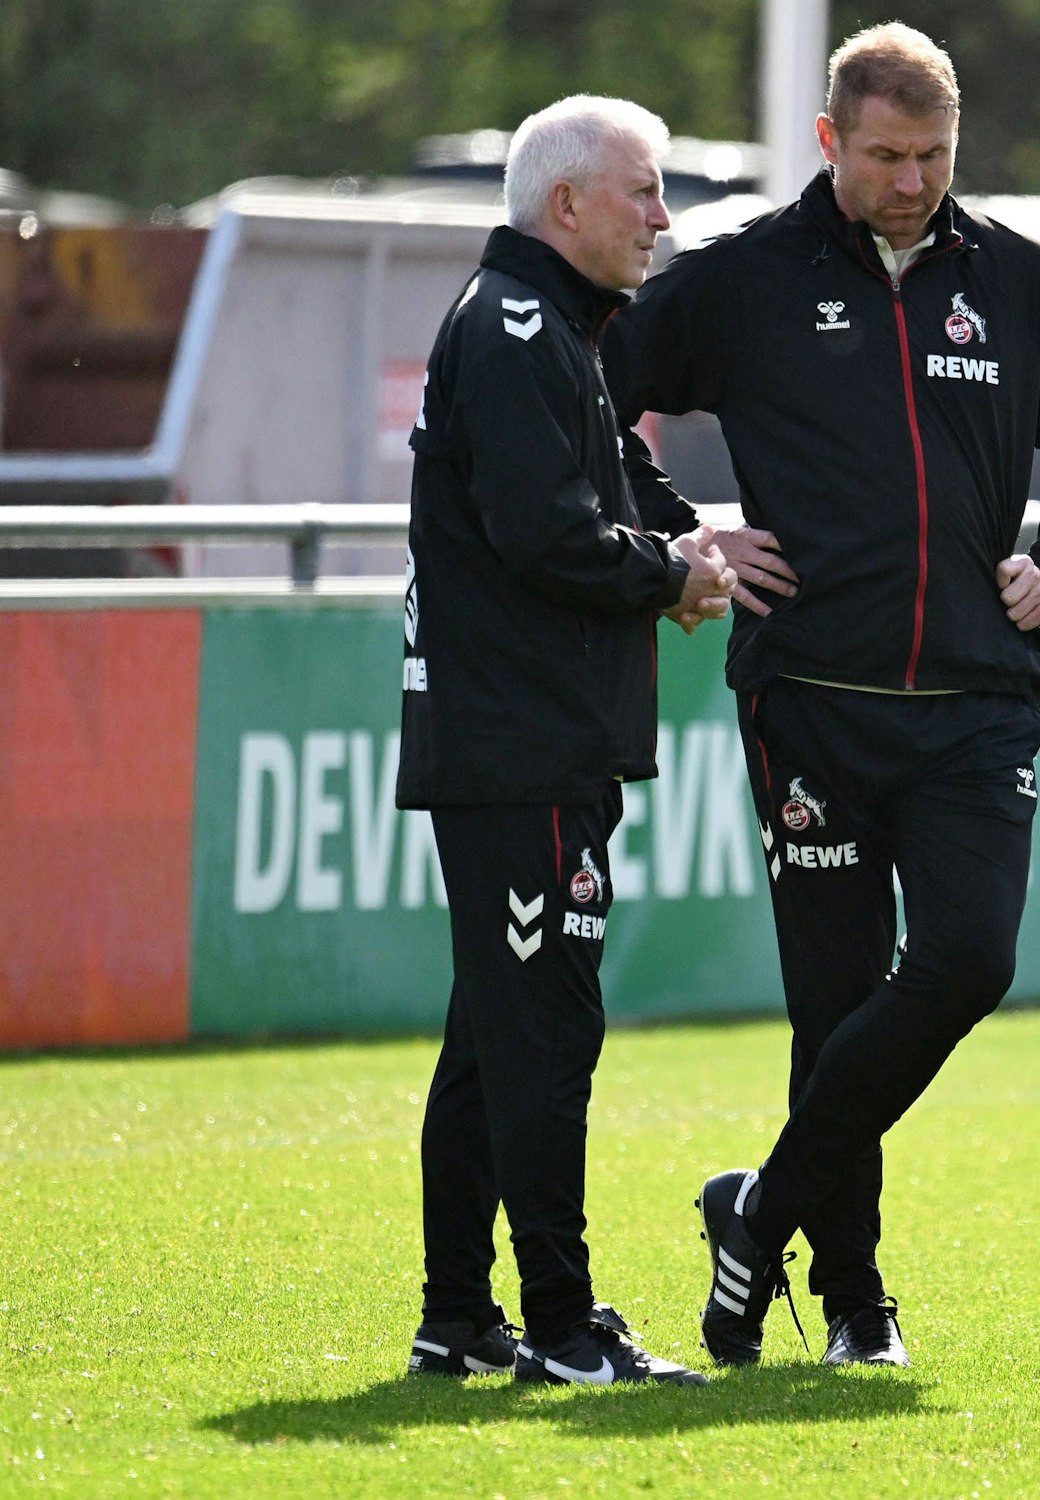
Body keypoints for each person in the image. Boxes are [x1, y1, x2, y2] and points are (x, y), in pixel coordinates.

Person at [603, 22, 1040, 1370]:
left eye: (936, 156)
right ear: (832, 142)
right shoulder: (744, 281)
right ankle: (853, 1302)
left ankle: (759, 1208)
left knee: (971, 958)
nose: (913, 182)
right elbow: (590, 392)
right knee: (833, 1010)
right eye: (888, 156)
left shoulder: (1017, 283)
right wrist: (686, 538)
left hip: (975, 705)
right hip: (812, 702)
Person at [397, 94, 746, 1388]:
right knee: (544, 1030)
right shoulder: (514, 330)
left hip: (527, 740)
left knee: (496, 1034)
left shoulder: (554, 333)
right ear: (566, 206)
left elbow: (602, 496)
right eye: (645, 192)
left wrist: (686, 547)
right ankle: (559, 1324)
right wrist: (670, 574)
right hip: (520, 744)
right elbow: (547, 534)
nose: (662, 218)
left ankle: (458, 1316)